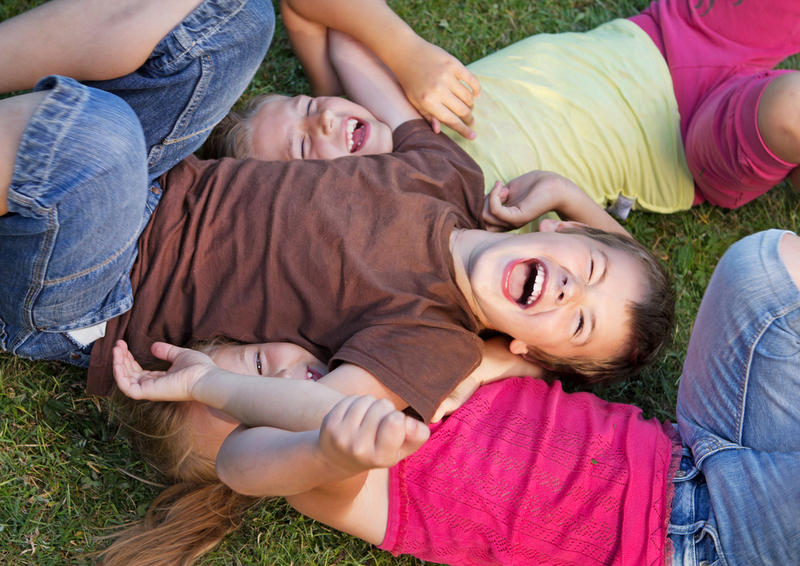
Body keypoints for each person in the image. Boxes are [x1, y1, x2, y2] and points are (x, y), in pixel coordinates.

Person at [106, 228, 800, 566]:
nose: (277, 391)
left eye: (259, 368)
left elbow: (597, 317)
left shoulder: (383, 348)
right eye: (248, 413)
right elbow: (267, 452)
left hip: (696, 448)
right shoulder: (330, 475)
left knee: (763, 264)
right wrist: (209, 385)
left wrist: (493, 362)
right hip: (693, 537)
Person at [213, 0, 800, 217]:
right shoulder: (420, 207)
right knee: (788, 110)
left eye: (309, 103)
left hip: (664, 36)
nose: (321, 119)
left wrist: (408, 53)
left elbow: (305, 7)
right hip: (688, 142)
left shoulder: (367, 100)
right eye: (302, 145)